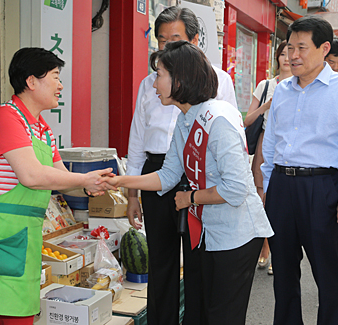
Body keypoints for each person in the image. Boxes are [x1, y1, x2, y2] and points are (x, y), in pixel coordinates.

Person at [106, 40, 273, 324]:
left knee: (222, 317)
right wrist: (119, 180)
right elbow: (167, 176)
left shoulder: (217, 120)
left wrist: (190, 199)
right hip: (212, 232)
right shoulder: (187, 120)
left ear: (180, 80)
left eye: (159, 75)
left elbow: (236, 188)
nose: (154, 84)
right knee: (206, 314)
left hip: (238, 235)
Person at [0, 47, 114, 325]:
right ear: (31, 81)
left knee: (21, 317)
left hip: (21, 240)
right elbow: (31, 175)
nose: (60, 85)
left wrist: (94, 183)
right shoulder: (6, 116)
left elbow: (62, 179)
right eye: (55, 76)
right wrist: (83, 180)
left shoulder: (43, 129)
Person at [125, 6, 237, 325]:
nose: (166, 47)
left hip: (197, 176)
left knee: (197, 258)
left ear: (195, 40)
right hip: (156, 172)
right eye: (161, 40)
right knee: (160, 260)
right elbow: (136, 140)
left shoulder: (218, 79)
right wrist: (132, 193)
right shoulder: (149, 83)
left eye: (175, 39)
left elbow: (229, 136)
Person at [261, 16, 338, 324]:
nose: (293, 55)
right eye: (290, 47)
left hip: (322, 187)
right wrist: (268, 186)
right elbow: (271, 142)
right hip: (281, 185)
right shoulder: (281, 89)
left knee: (328, 272)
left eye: (301, 48)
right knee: (283, 272)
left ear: (323, 49)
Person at [244, 41, 291, 275]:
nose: (286, 58)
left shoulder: (300, 85)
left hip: (289, 145)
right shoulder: (266, 85)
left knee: (280, 199)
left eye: (289, 53)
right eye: (282, 54)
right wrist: (267, 106)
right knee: (261, 197)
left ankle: (277, 250)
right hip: (265, 142)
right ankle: (264, 247)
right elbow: (247, 120)